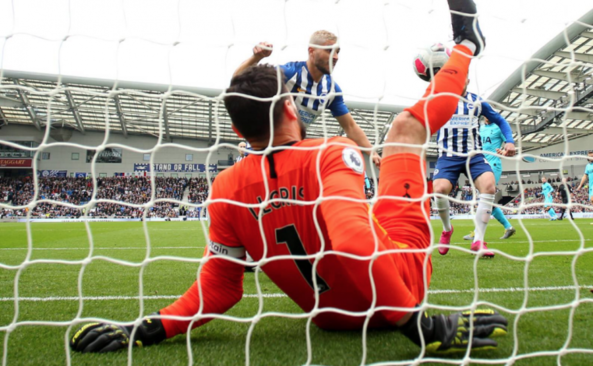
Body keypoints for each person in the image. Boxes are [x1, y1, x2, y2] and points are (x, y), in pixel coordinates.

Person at [70, 0, 507, 356]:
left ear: (240, 133)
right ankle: (466, 45)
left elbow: (219, 288)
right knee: (405, 130)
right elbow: (354, 242)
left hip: (328, 316)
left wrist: (146, 328)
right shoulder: (330, 153)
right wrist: (419, 325)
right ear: (292, 109)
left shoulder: (224, 190)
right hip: (397, 291)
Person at [233, 30, 382, 168]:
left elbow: (350, 126)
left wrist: (372, 152)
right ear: (311, 51)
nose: (336, 57)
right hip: (261, 149)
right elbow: (238, 80)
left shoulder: (331, 90)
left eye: (337, 51)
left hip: (292, 151)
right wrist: (257, 57)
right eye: (329, 50)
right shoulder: (290, 72)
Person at [433, 78, 516, 258]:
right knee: (439, 190)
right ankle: (447, 229)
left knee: (489, 187)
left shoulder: (476, 102)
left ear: (467, 80)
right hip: (448, 156)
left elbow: (500, 120)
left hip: (474, 156)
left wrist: (510, 141)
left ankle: (478, 240)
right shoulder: (439, 99)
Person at [463, 118, 516, 241]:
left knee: (484, 198)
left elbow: (509, 144)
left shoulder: (498, 127)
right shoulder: (480, 128)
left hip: (494, 165)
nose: (486, 116)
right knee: (486, 201)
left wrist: (504, 151)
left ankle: (477, 232)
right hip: (481, 165)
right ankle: (508, 227)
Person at [575, 150, 593, 224]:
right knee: (592, 201)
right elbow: (585, 176)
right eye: (589, 156)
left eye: (592, 156)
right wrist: (580, 185)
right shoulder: (588, 166)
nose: (591, 157)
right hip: (591, 186)